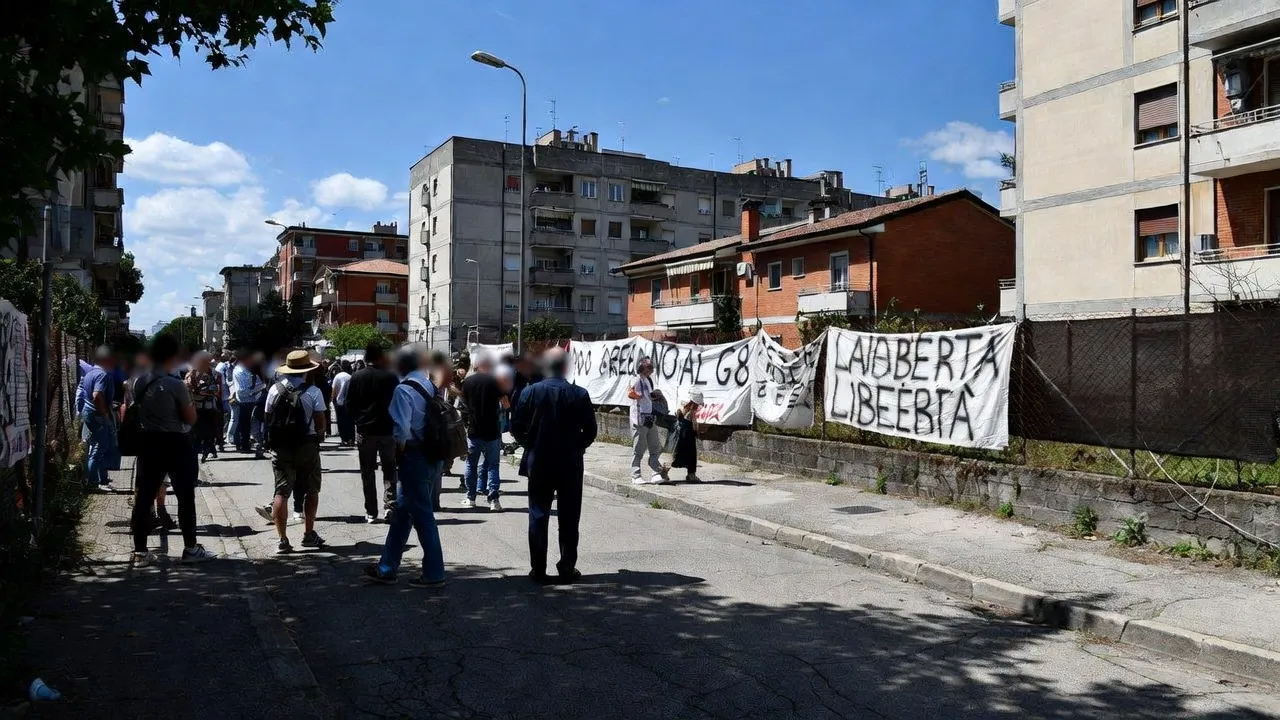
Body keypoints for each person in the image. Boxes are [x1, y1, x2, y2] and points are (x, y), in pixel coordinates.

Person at [130, 334, 216, 566]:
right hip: (176, 443)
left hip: (148, 442)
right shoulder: (175, 384)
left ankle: (140, 552)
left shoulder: (138, 381)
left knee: (144, 496)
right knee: (185, 496)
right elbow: (191, 417)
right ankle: (190, 548)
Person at [512, 347, 597, 584]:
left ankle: (538, 569)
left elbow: (516, 426)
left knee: (538, 515)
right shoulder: (579, 394)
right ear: (566, 367)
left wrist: (531, 443)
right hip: (569, 463)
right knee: (569, 517)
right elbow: (591, 431)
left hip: (539, 461)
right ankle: (567, 566)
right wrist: (576, 446)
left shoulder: (530, 392)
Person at [362, 348, 446, 587]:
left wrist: (398, 452)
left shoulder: (403, 389)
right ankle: (387, 567)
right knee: (402, 514)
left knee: (422, 516)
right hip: (433, 454)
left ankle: (434, 573)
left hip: (414, 455)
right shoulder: (428, 386)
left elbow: (401, 429)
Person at [264, 351, 327, 553]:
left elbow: (267, 417)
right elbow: (320, 420)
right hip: (307, 444)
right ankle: (308, 534)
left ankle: (282, 539)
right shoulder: (313, 391)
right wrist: (319, 435)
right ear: (306, 370)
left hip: (281, 446)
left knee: (281, 491)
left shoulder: (275, 389)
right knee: (312, 490)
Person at [347, 343, 400, 523]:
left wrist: (359, 420)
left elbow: (349, 404)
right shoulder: (391, 378)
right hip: (387, 429)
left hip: (365, 430)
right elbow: (397, 403)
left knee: (367, 471)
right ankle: (390, 506)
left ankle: (371, 511)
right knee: (389, 469)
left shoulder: (357, 377)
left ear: (365, 358)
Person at [460, 352, 504, 511]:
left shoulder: (468, 382)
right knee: (493, 465)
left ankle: (470, 497)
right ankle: (494, 500)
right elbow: (505, 403)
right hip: (492, 429)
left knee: (471, 464)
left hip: (474, 429)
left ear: (476, 365)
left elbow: (463, 405)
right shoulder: (496, 382)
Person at [78, 346, 119, 488]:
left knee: (97, 445)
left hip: (89, 412)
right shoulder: (103, 375)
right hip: (97, 414)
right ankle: (93, 482)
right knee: (100, 447)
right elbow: (97, 395)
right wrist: (104, 413)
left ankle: (102, 480)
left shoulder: (90, 373)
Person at [628, 357, 667, 484]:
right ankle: (635, 475)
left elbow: (649, 398)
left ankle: (656, 472)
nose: (651, 369)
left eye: (651, 367)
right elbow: (630, 393)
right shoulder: (636, 379)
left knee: (655, 446)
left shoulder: (648, 380)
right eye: (648, 367)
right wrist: (640, 396)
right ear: (641, 367)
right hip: (639, 419)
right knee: (639, 448)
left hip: (650, 417)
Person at [187, 351, 223, 463]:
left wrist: (209, 392)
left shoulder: (215, 373)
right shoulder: (192, 374)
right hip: (197, 406)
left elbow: (217, 390)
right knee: (198, 431)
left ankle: (211, 449)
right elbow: (191, 390)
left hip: (210, 406)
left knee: (211, 428)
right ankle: (199, 450)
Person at [230, 349, 265, 456]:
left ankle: (249, 444)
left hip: (253, 401)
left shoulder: (250, 370)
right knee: (244, 426)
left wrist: (259, 387)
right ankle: (243, 445)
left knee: (250, 425)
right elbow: (242, 391)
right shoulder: (239, 371)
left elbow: (259, 382)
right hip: (244, 403)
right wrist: (259, 388)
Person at [669, 390, 703, 483]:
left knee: (689, 454)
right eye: (697, 404)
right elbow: (682, 416)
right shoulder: (685, 406)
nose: (698, 406)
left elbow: (693, 422)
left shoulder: (690, 408)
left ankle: (691, 475)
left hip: (687, 432)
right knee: (675, 453)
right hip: (682, 432)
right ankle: (663, 472)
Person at [331, 360, 354, 446]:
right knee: (350, 421)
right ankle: (351, 438)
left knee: (341, 421)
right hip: (349, 402)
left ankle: (344, 439)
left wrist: (333, 400)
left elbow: (334, 390)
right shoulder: (350, 377)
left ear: (341, 367)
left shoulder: (337, 376)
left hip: (339, 402)